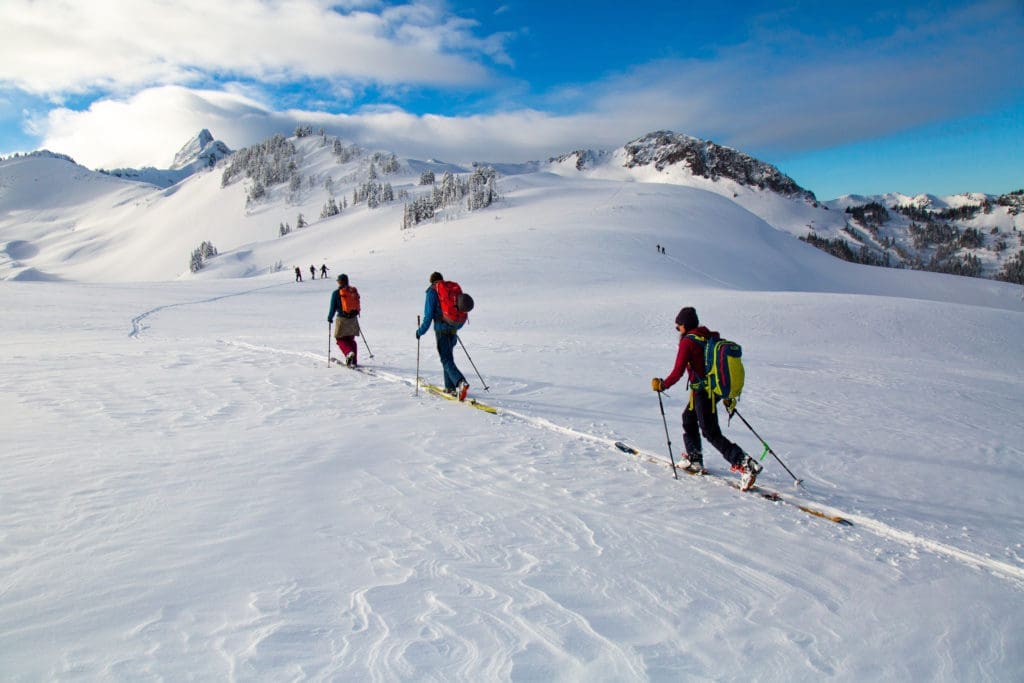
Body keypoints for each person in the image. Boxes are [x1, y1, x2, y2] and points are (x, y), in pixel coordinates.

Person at [651, 306, 762, 489]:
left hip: (704, 392)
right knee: (688, 418)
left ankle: (745, 464)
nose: (677, 330)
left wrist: (663, 385)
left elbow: (678, 371)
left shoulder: (688, 342)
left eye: (678, 326)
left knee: (710, 432)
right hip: (712, 390)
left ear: (685, 326)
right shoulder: (708, 335)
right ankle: (695, 458)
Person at [415, 271, 469, 401]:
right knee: (448, 358)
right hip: (453, 329)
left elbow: (428, 316)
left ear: (431, 281)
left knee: (446, 359)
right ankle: (449, 387)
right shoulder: (450, 291)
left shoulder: (432, 292)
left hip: (441, 330)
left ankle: (460, 382)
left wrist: (420, 332)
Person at [327, 274, 360, 366]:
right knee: (351, 340)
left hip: (342, 319)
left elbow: (332, 308)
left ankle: (348, 353)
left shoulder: (336, 293)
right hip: (353, 319)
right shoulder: (352, 291)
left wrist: (330, 317)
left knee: (340, 339)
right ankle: (354, 361)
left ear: (340, 282)